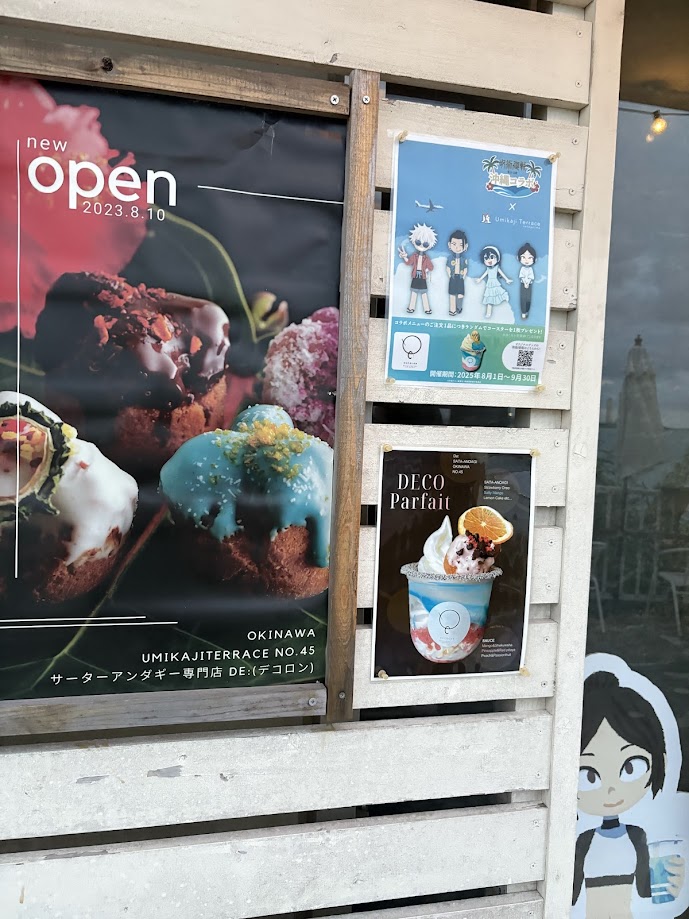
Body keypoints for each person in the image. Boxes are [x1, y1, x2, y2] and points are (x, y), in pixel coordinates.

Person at [573, 670, 684, 917]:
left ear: (660, 762)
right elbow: (568, 893)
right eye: (588, 775)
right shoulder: (584, 841)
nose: (611, 789)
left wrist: (672, 883)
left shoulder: (637, 836)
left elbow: (645, 890)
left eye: (631, 767)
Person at [398, 223, 437, 315]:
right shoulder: (414, 256)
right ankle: (411, 308)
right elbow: (408, 262)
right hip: (415, 275)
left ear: (429, 245)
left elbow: (431, 267)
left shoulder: (426, 258)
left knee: (424, 293)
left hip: (422, 276)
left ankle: (427, 309)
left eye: (426, 244)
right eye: (418, 242)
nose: (421, 246)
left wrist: (425, 271)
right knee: (414, 292)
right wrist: (404, 257)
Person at [474, 245, 512, 319]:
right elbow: (485, 274)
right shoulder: (488, 268)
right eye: (486, 258)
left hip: (495, 282)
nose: (489, 260)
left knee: (499, 292)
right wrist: (480, 279)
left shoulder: (497, 267)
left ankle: (505, 296)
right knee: (489, 298)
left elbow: (502, 273)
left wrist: (507, 279)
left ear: (497, 258)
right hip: (489, 283)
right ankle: (488, 313)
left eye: (492, 257)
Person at [446, 229, 469, 316]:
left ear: (465, 246)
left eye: (461, 245)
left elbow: (465, 268)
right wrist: (449, 275)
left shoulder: (463, 259)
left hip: (460, 277)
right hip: (452, 277)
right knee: (452, 294)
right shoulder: (450, 258)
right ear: (449, 245)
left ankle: (459, 307)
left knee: (460, 294)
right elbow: (448, 267)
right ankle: (452, 310)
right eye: (454, 244)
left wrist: (463, 277)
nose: (457, 247)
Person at [517, 242, 537, 321]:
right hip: (523, 284)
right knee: (522, 298)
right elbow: (521, 276)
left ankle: (527, 310)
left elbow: (531, 277)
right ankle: (523, 312)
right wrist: (525, 282)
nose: (526, 260)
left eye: (530, 258)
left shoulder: (531, 269)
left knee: (528, 298)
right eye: (523, 257)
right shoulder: (522, 268)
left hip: (529, 285)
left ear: (534, 259)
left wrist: (528, 282)